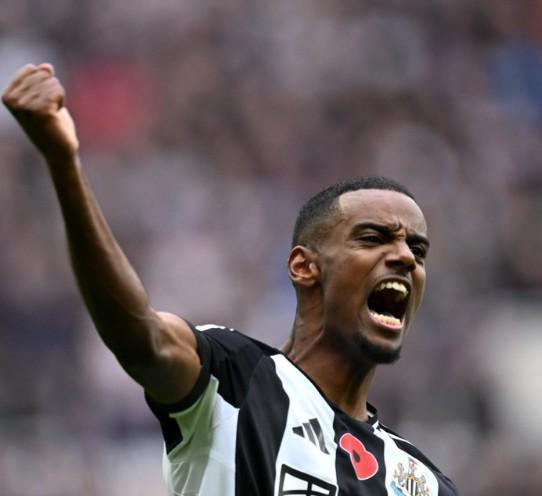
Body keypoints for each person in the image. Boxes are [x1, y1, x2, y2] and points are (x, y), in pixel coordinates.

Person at [3, 63, 457, 495]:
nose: (405, 257)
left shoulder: (422, 482)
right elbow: (139, 335)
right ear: (304, 267)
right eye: (374, 238)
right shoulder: (235, 378)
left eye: (418, 250)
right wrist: (65, 165)